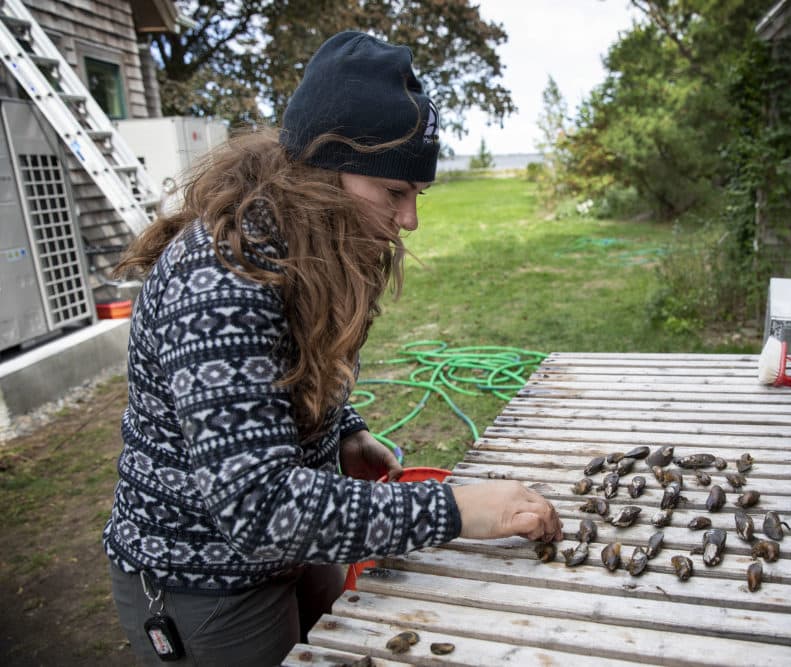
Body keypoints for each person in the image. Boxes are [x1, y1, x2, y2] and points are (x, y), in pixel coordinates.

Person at [104, 31, 562, 666]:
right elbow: (258, 507)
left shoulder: (312, 242)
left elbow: (283, 375)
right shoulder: (220, 280)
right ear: (321, 175)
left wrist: (343, 430)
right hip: (204, 583)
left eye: (416, 194)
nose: (410, 221)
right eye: (393, 193)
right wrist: (455, 509)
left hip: (299, 545)